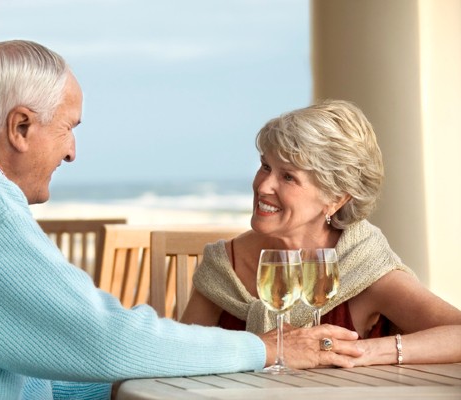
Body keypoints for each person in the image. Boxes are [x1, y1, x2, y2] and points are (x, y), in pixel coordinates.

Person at [0, 41, 362, 400]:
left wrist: (121, 384)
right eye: (68, 129)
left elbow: (27, 353)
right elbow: (104, 341)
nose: (73, 152)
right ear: (20, 126)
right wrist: (266, 349)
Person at [181, 99, 461, 366]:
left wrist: (362, 351)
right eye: (265, 166)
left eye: (288, 176)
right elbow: (181, 355)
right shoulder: (224, 265)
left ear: (336, 198)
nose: (263, 186)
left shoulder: (362, 264)